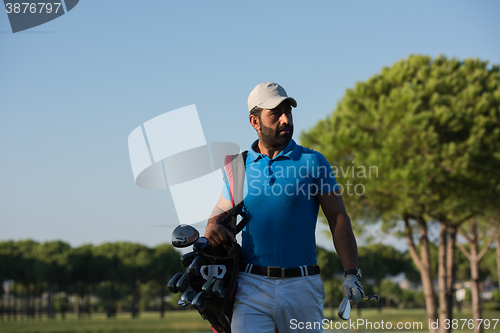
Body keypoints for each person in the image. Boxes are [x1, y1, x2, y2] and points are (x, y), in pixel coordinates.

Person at [205, 82, 364, 333]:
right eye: (275, 114)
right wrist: (213, 226)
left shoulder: (313, 161)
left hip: (302, 287)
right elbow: (218, 215)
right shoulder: (238, 166)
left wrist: (351, 272)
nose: (285, 120)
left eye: (288, 112)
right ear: (254, 122)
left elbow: (338, 218)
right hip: (250, 286)